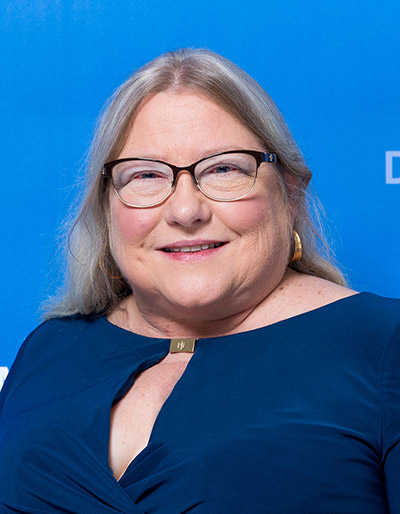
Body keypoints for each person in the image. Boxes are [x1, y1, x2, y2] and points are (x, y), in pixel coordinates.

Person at [0, 48, 399, 514]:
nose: (186, 210)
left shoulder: (384, 345)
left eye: (224, 168)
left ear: (289, 192)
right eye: (146, 175)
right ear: (107, 206)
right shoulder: (49, 348)